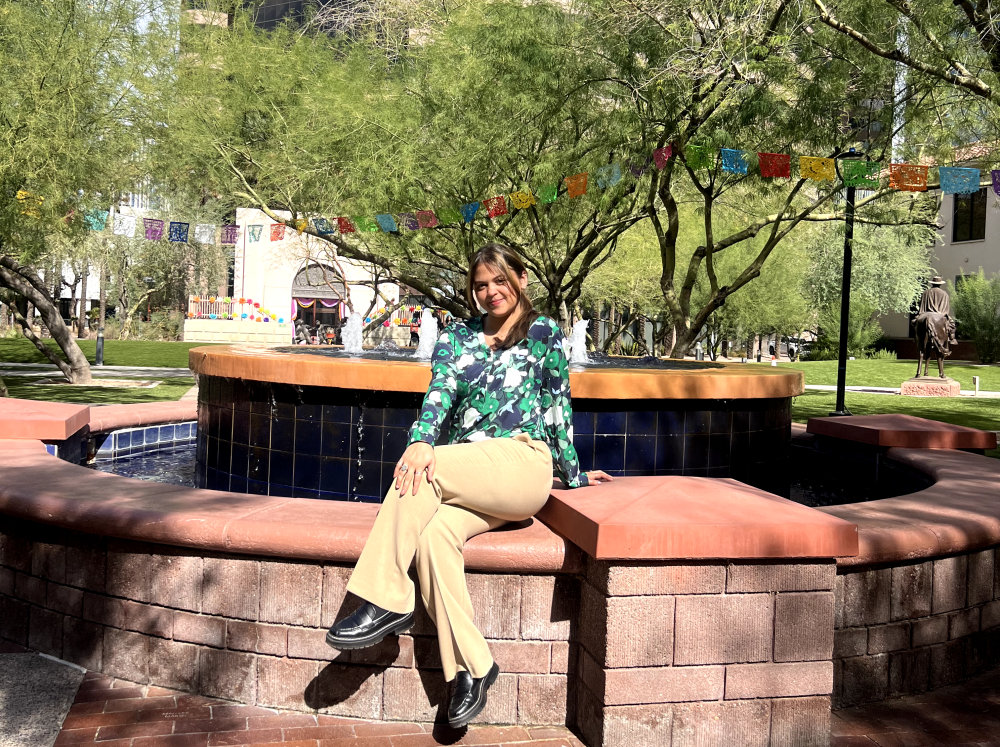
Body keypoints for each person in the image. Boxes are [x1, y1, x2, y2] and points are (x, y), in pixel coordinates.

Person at [325, 243, 612, 728]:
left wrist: (575, 473)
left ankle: (385, 597)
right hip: (471, 477)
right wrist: (421, 440)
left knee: (424, 466)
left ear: (520, 278)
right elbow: (438, 396)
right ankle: (474, 670)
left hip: (523, 465)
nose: (490, 292)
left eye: (499, 280)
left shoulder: (543, 333)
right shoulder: (456, 338)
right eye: (481, 285)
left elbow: (559, 409)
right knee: (433, 533)